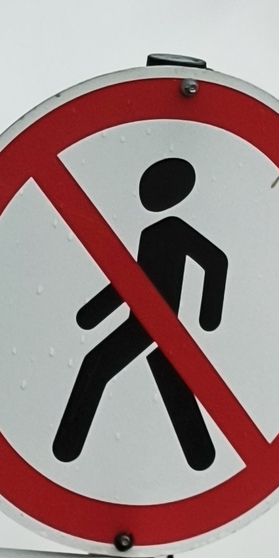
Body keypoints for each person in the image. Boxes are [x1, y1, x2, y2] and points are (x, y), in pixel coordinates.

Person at [51, 157, 226, 468]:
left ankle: (66, 447)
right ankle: (202, 456)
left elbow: (215, 261)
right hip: (144, 321)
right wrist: (92, 314)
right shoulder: (150, 234)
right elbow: (131, 281)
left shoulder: (174, 229)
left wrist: (209, 315)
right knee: (167, 373)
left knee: (98, 364)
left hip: (157, 323)